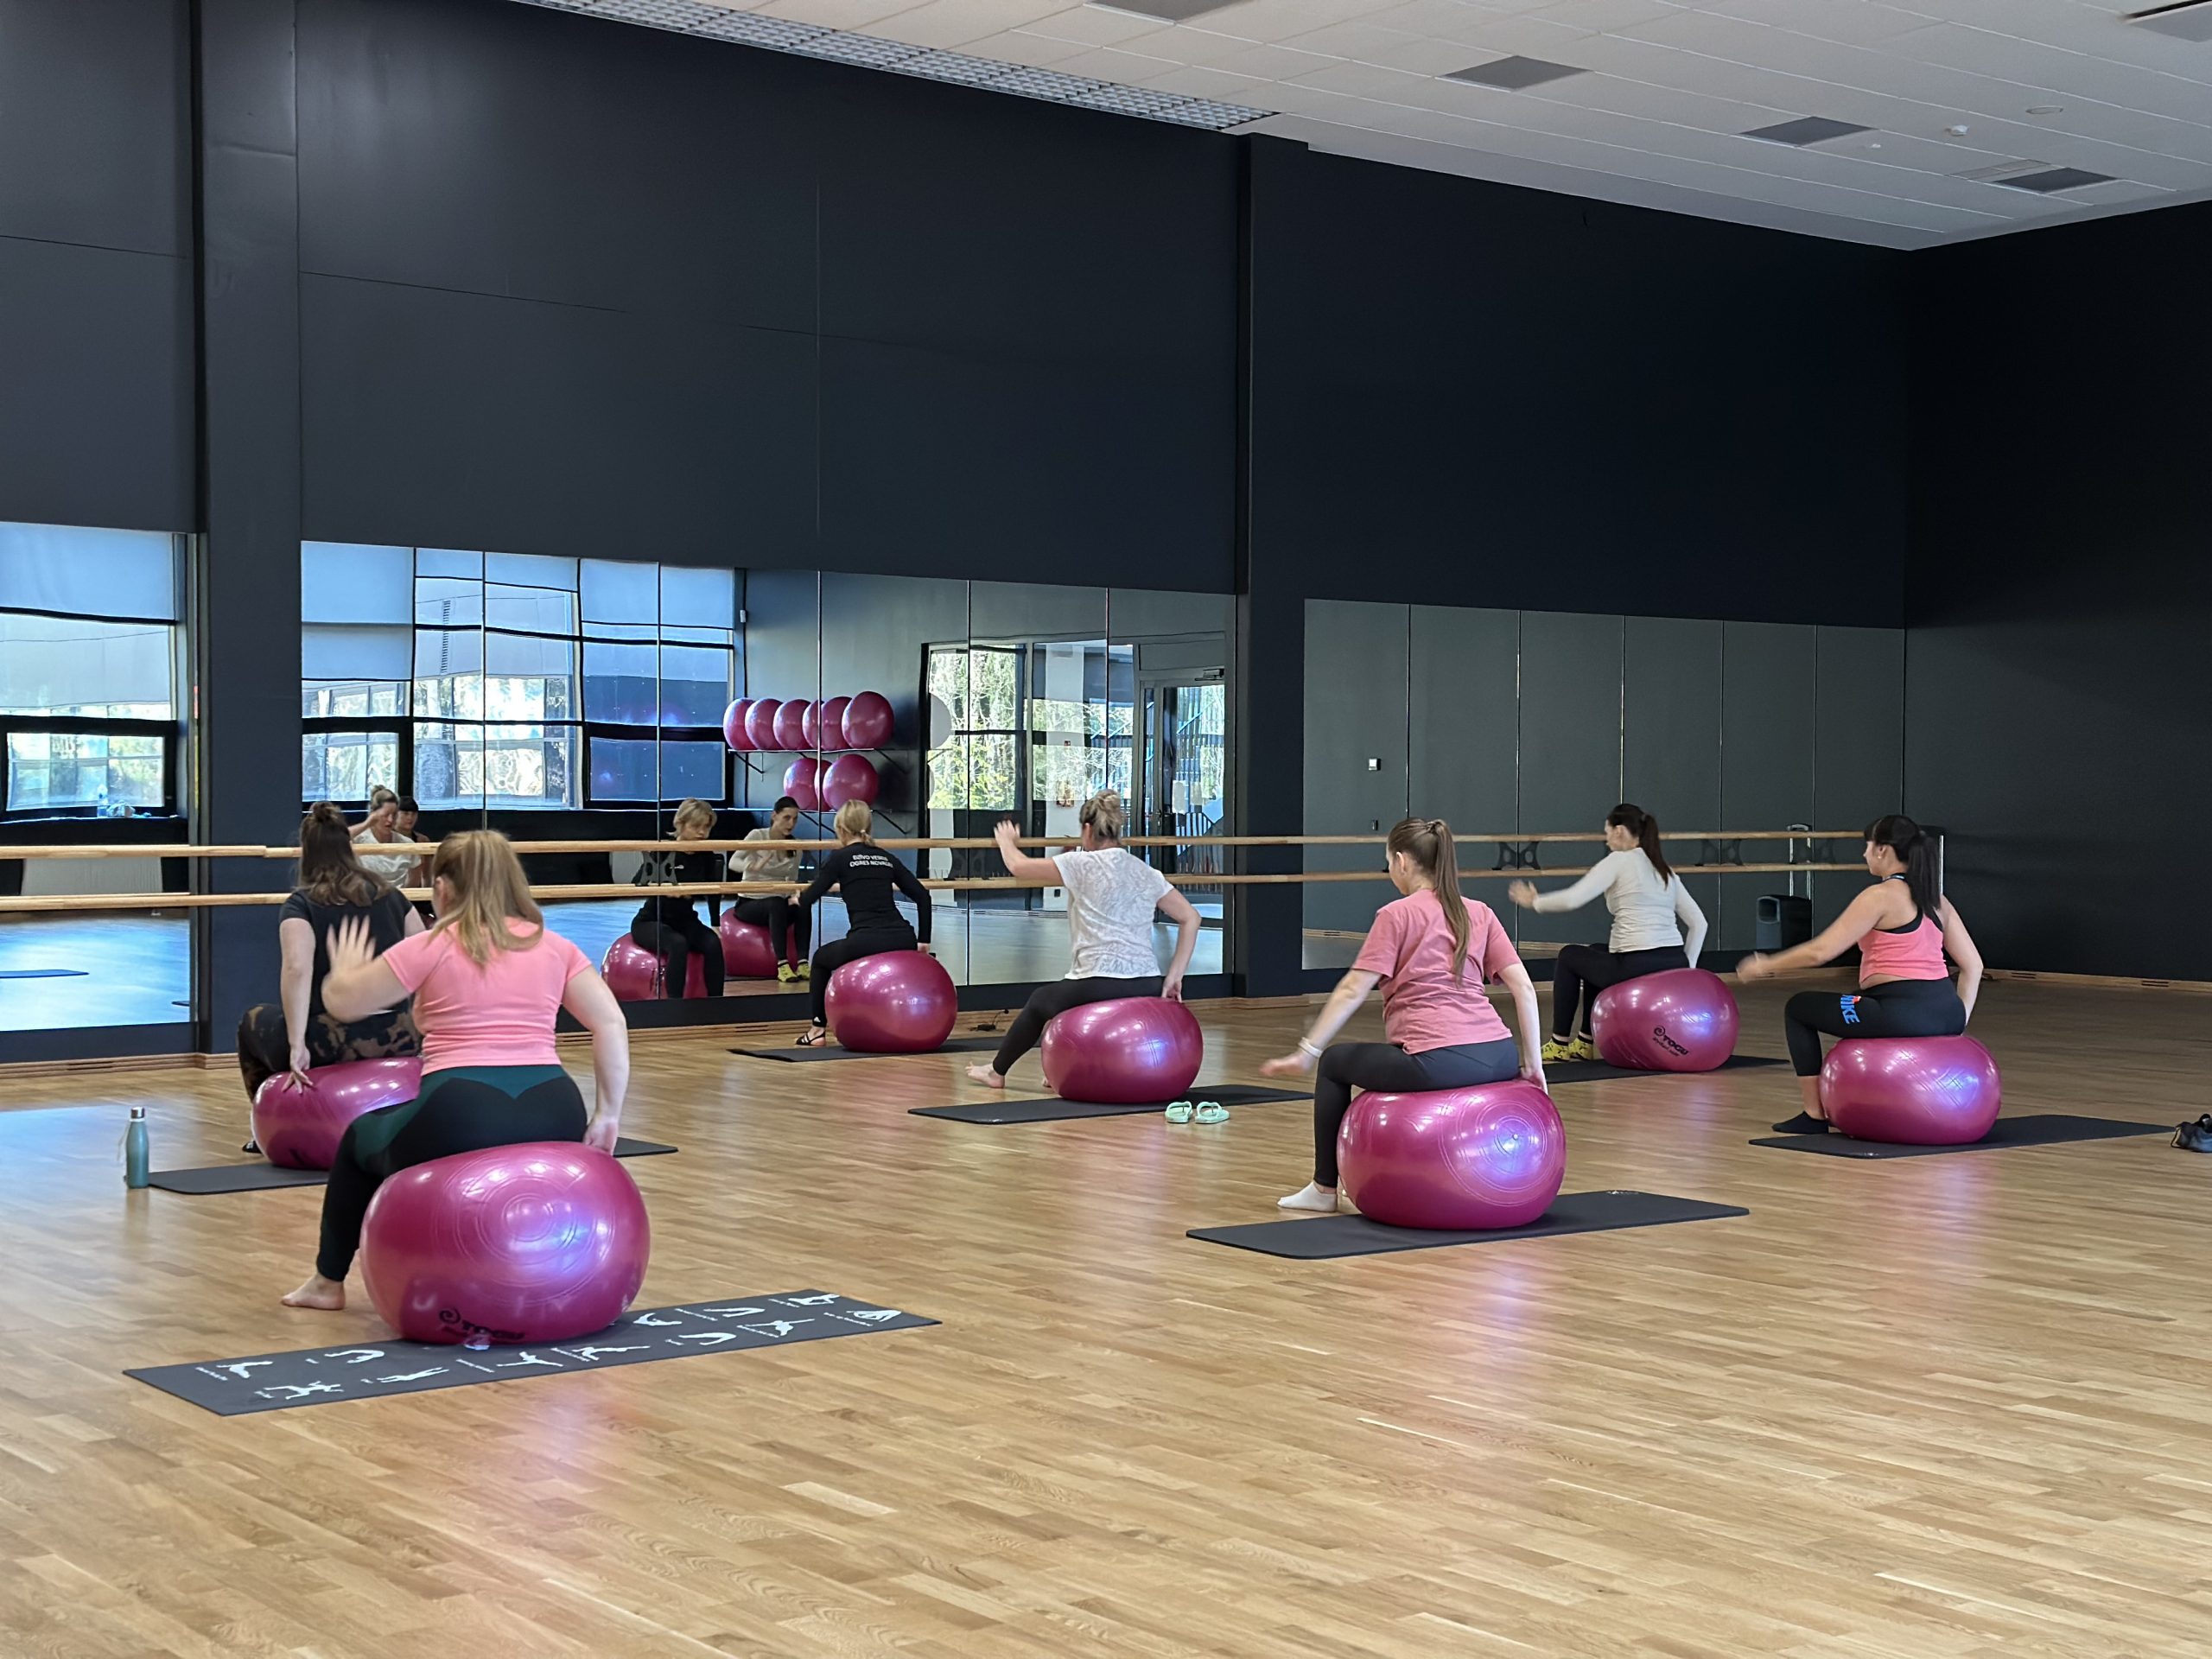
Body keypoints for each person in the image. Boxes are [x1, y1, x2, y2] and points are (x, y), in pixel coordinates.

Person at [280, 830, 630, 1312]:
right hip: (554, 1106)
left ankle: (327, 1283)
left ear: (442, 888)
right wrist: (608, 1113)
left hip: (461, 1109)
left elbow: (344, 1005)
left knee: (360, 1140)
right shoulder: (555, 946)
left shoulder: (433, 944)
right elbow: (610, 1022)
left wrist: (342, 973)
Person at [1262, 818, 1547, 1213]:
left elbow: (1352, 988)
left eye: (1388, 862)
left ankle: (1323, 1189)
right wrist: (1533, 1065)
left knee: (1333, 1063)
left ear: (1401, 861)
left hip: (1438, 1060)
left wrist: (1306, 1052)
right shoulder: (1479, 912)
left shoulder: (1395, 915)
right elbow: (1525, 988)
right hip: (1497, 1054)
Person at [1738, 813, 1984, 1134]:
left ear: (1882, 850)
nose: (1864, 853)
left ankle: (1814, 1115)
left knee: (1798, 1008)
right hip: (1946, 1013)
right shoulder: (1937, 900)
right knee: (1848, 1002)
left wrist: (1765, 965)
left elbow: (1821, 951)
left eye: (1867, 845)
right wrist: (1958, 1019)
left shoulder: (1879, 897)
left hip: (1897, 1013)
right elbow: (1974, 966)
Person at [964, 791, 1202, 1090]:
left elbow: (1019, 867)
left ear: (1087, 830)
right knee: (1065, 999)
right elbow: (1191, 917)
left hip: (1097, 983)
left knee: (1040, 1003)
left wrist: (1006, 841)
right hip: (1147, 983)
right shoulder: (1145, 871)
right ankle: (1062, 1070)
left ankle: (996, 1072)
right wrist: (1174, 977)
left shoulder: (1081, 863)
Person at [237, 804, 424, 1147]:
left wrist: (297, 1044)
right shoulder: (391, 895)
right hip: (399, 1035)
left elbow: (296, 968)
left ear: (306, 852)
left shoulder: (301, 903)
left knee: (252, 1022)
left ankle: (263, 1129)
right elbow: (424, 950)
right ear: (348, 846)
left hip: (332, 1041)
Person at [1507, 802, 1708, 1062]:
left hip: (1637, 964)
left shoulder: (1619, 860)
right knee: (1596, 953)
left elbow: (1573, 899)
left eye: (1607, 832)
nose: (1607, 840)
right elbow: (1699, 923)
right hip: (1673, 961)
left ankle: (1559, 1043)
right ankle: (1585, 1041)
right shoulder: (1663, 869)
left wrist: (1535, 901)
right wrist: (1686, 971)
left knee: (1569, 956)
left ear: (1619, 831)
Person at [791, 799, 933, 1047]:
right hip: (902, 937)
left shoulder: (839, 858)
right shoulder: (886, 858)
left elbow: (811, 896)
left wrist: (797, 900)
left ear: (841, 829)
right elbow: (923, 896)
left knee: (821, 960)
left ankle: (817, 1029)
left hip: (867, 939)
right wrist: (923, 941)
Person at [627, 798, 726, 999]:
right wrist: (664, 889)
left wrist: (716, 924)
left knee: (713, 943)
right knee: (678, 944)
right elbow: (637, 882)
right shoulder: (664, 851)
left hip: (685, 920)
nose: (702, 833)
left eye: (706, 827)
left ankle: (717, 1003)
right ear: (680, 824)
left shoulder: (707, 854)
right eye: (696, 827)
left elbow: (713, 890)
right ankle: (674, 1005)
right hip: (651, 920)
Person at [729, 796, 812, 983]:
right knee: (776, 903)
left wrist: (795, 896)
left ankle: (803, 963)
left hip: (778, 903)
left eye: (795, 819)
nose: (791, 824)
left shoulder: (795, 847)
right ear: (774, 816)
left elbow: (792, 880)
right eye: (786, 818)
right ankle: (782, 965)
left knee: (802, 903)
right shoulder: (757, 836)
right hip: (750, 903)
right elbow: (733, 862)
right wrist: (751, 866)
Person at [353, 786, 422, 888]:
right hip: (366, 896)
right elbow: (337, 837)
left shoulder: (407, 843)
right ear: (373, 814)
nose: (390, 820)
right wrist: (366, 824)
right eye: (385, 815)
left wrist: (400, 896)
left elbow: (415, 878)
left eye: (394, 815)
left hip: (398, 896)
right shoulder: (358, 840)